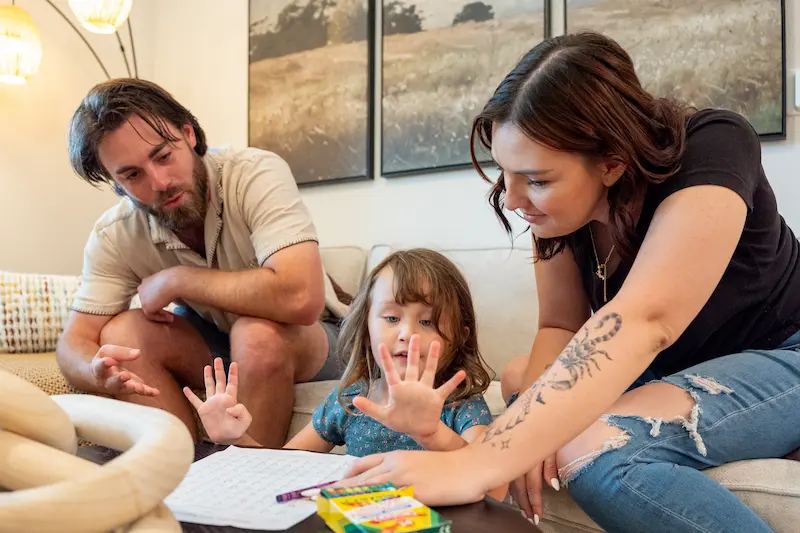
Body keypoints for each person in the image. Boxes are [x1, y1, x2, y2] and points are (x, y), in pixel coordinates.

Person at [340, 32, 800, 533]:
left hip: (784, 353)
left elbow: (647, 318)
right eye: (505, 173)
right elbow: (559, 326)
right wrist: (523, 438)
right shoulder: (557, 218)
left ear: (612, 163)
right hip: (668, 372)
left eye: (536, 180)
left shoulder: (715, 144)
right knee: (521, 381)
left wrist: (482, 459)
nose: (513, 200)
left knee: (593, 454)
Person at [56, 78, 349, 448]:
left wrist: (178, 280)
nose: (160, 182)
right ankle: (177, 476)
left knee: (256, 334)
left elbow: (301, 297)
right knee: (122, 337)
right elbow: (74, 342)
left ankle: (246, 493)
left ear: (188, 133)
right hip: (216, 343)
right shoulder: (116, 233)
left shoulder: (254, 172)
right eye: (132, 175)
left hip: (317, 339)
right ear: (115, 183)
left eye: (163, 156)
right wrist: (95, 372)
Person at [186, 249, 506, 499]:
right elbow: (285, 468)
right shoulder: (352, 401)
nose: (407, 333)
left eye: (426, 322)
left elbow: (493, 487)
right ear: (367, 326)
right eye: (392, 318)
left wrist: (431, 432)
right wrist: (236, 438)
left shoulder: (463, 404)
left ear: (461, 336)